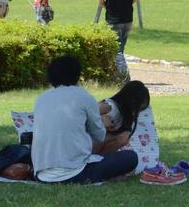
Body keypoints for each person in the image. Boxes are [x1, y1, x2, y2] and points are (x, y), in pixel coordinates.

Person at [31, 55, 138, 184]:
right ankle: (100, 176)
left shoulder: (42, 98)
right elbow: (99, 135)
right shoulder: (84, 97)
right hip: (75, 172)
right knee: (131, 157)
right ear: (77, 75)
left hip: (41, 174)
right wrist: (104, 123)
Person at [97, 0, 140, 81]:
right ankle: (118, 75)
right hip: (128, 19)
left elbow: (100, 2)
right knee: (120, 48)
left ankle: (124, 77)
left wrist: (108, 7)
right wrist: (128, 3)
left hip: (112, 19)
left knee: (117, 50)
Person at [95, 80, 150, 154]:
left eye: (141, 110)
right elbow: (80, 115)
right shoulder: (109, 107)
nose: (136, 113)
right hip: (82, 146)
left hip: (97, 153)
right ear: (129, 101)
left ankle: (100, 160)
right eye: (136, 108)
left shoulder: (125, 119)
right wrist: (100, 118)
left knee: (125, 141)